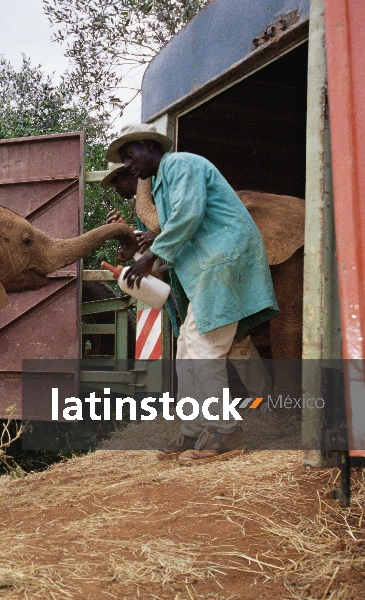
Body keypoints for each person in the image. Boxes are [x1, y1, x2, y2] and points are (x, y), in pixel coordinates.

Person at [105, 123, 278, 466]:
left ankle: (226, 433)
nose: (127, 166)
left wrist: (152, 255)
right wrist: (145, 254)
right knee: (186, 349)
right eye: (123, 160)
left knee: (204, 347)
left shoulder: (183, 165)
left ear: (148, 146)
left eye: (129, 155)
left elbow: (188, 217)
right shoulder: (163, 186)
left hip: (224, 260)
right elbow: (174, 237)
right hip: (209, 270)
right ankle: (193, 429)